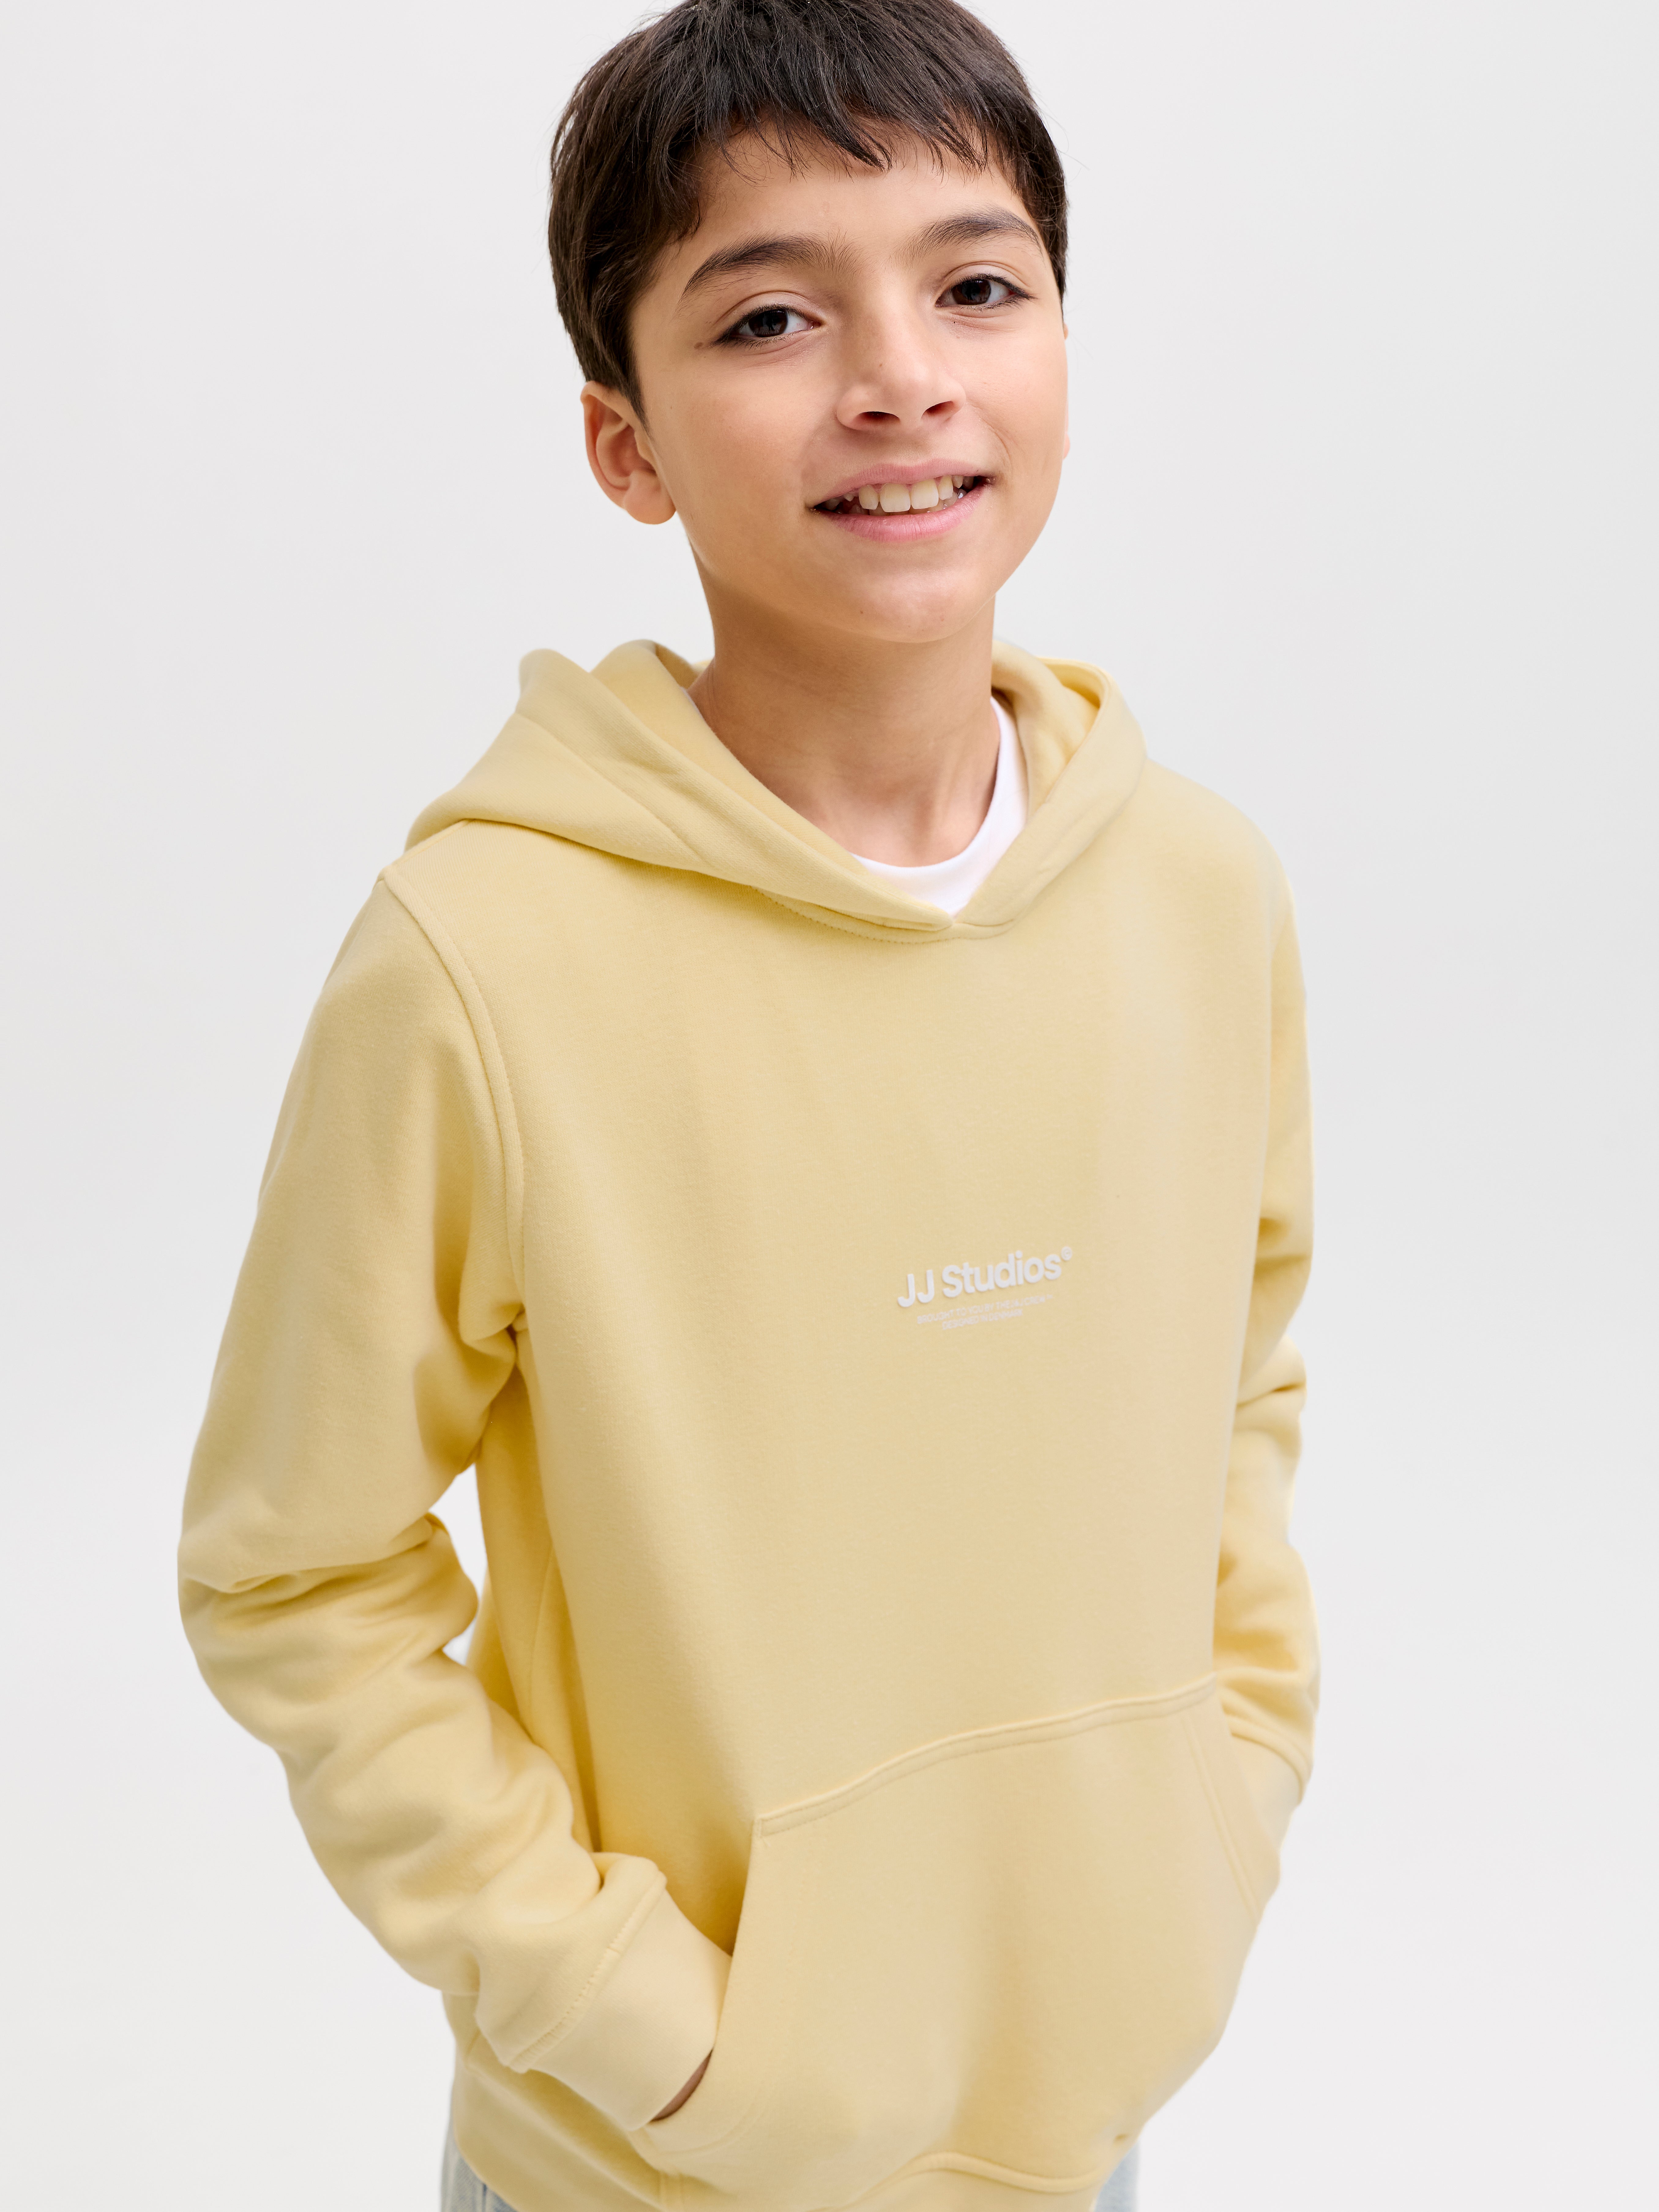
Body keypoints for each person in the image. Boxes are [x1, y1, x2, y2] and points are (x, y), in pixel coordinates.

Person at [177, 3, 1319, 2209]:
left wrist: (1220, 1813)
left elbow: (1238, 1386)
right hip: (653, 2164)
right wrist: (650, 2028)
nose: (900, 378)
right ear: (626, 445)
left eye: (976, 285)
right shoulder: (484, 962)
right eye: (773, 317)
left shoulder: (1202, 895)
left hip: (1085, 2115)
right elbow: (291, 1567)